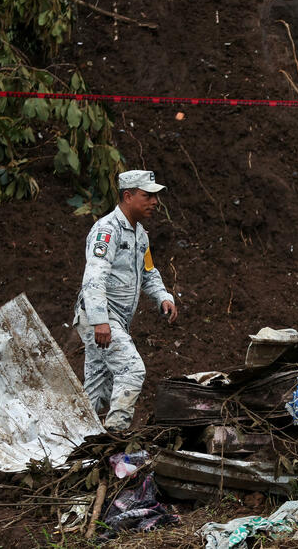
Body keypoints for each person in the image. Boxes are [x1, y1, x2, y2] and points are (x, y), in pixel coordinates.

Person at [72, 170, 178, 431]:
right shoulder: (106, 231)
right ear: (128, 196)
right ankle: (114, 437)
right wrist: (100, 321)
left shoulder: (140, 234)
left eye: (155, 196)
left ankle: (73, 439)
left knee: (98, 389)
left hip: (115, 319)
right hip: (102, 316)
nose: (155, 202)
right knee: (132, 370)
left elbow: (148, 271)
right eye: (148, 195)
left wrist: (163, 296)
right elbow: (94, 277)